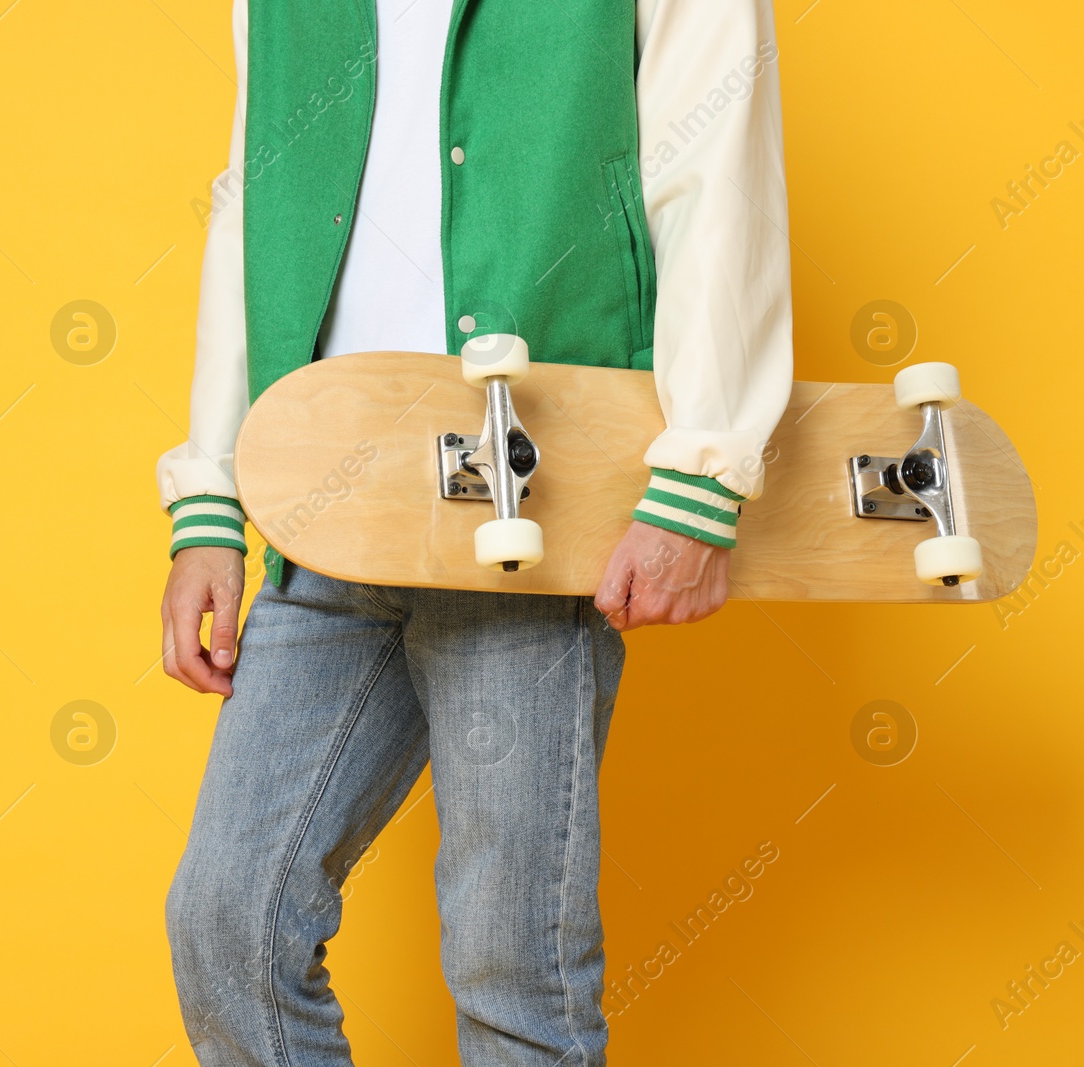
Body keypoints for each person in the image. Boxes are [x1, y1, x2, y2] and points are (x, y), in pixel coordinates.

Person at [155, 0, 792, 1062]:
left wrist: (703, 473)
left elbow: (713, 165)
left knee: (513, 978)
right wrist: (212, 498)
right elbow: (248, 202)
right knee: (228, 923)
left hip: (531, 513)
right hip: (328, 505)